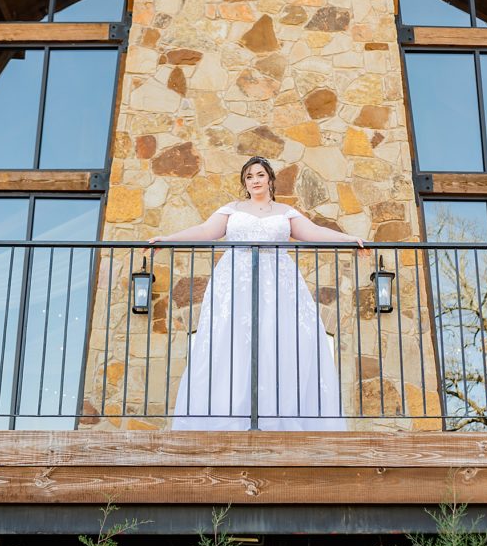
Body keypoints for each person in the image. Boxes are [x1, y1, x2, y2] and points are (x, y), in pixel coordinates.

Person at [149, 156, 366, 430]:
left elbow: (314, 232)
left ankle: (279, 415)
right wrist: (168, 239)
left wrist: (349, 239)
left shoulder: (285, 212)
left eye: (260, 175)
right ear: (245, 182)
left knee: (280, 340)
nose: (255, 180)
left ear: (270, 180)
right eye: (249, 176)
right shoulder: (231, 209)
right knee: (233, 341)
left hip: (278, 284)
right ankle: (232, 414)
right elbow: (205, 230)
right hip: (236, 282)